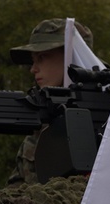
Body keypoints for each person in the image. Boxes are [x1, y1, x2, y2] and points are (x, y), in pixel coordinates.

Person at [6, 18, 95, 185]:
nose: (33, 69)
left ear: (71, 58)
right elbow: (15, 197)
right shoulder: (40, 131)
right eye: (33, 60)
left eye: (42, 57)